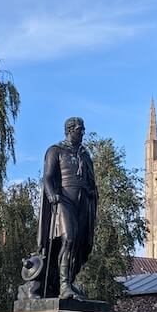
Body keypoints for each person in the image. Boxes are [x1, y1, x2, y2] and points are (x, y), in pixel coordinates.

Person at [39, 116, 98, 299]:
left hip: (84, 203)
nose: (82, 133)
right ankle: (64, 286)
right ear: (70, 130)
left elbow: (90, 179)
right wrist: (52, 196)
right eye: (80, 129)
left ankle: (69, 281)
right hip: (64, 201)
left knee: (80, 244)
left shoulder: (85, 155)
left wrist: (92, 193)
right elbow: (48, 177)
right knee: (69, 239)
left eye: (83, 129)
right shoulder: (56, 151)